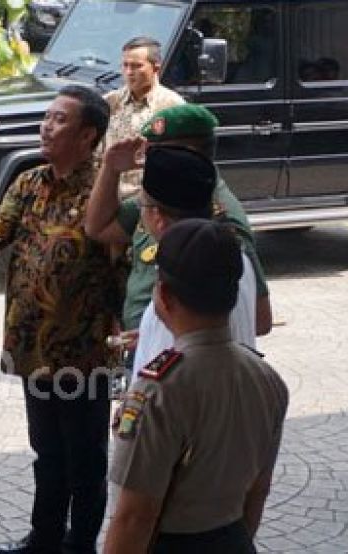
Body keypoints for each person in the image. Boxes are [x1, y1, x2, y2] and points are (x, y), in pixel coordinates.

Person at [0, 85, 119, 554]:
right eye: (47, 117)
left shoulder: (106, 192)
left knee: (86, 459)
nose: (46, 126)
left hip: (84, 351)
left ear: (88, 135)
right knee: (48, 451)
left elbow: (127, 264)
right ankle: (45, 536)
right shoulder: (30, 182)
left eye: (59, 120)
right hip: (33, 344)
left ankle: (80, 545)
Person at [104, 219, 289, 553]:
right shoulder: (268, 380)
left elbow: (135, 516)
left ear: (163, 295)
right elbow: (258, 491)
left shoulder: (156, 390)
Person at [85, 103, 272, 363]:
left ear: (189, 153)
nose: (145, 158)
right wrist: (111, 169)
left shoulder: (221, 225)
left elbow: (259, 319)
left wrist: (173, 332)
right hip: (153, 351)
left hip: (185, 369)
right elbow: (98, 227)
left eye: (155, 152)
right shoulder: (168, 196)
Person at [124, 145, 262, 376]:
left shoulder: (180, 272)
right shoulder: (234, 256)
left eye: (142, 206)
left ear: (157, 217)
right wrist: (149, 332)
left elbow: (168, 381)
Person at [101, 36, 185, 199]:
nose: (129, 72)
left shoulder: (172, 107)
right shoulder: (110, 103)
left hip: (147, 199)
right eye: (125, 65)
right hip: (108, 195)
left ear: (155, 68)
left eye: (137, 66)